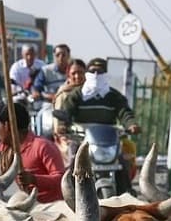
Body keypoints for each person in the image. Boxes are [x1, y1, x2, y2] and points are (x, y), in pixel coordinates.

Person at [58, 57, 141, 191]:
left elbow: (125, 112)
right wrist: (63, 124)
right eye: (92, 71)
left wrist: (131, 124)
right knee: (72, 162)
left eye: (100, 72)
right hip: (81, 138)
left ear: (106, 74)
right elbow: (66, 112)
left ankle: (127, 195)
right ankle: (70, 194)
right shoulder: (76, 95)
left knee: (123, 163)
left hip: (108, 140)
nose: (96, 75)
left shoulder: (114, 96)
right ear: (87, 74)